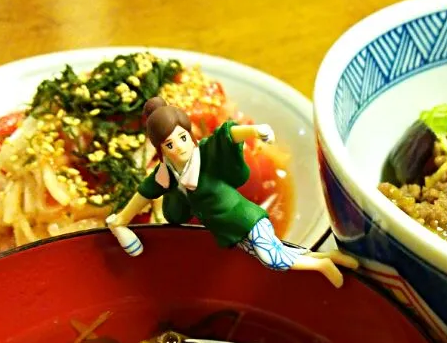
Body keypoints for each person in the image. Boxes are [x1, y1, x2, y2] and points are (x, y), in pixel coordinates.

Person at [106, 97, 358, 287]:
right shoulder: (166, 173)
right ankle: (330, 256)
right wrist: (121, 221)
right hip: (228, 230)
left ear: (189, 135)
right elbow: (143, 194)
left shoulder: (204, 152)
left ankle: (322, 265)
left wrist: (255, 131)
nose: (179, 147)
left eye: (183, 138)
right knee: (274, 252)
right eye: (170, 144)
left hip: (244, 218)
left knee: (273, 259)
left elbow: (226, 135)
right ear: (161, 148)